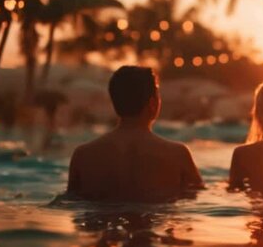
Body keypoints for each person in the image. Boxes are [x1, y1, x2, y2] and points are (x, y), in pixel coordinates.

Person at [67, 66, 203, 202]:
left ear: (114, 101)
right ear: (152, 104)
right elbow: (198, 198)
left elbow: (70, 201)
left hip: (101, 220)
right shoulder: (177, 154)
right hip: (157, 221)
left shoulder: (83, 155)